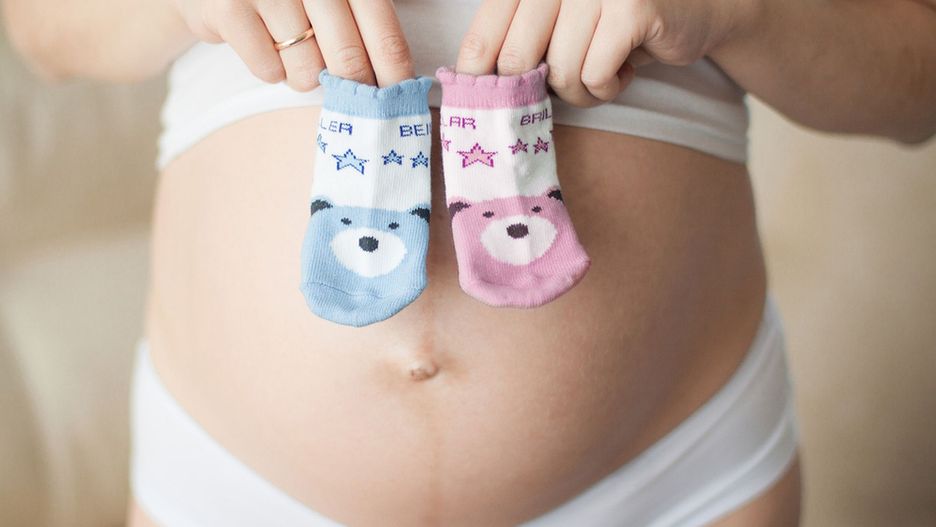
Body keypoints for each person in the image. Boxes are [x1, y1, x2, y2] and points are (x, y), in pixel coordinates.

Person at [5, 0, 934, 525]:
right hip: (236, 485)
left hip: (672, 478)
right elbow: (41, 31)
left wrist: (742, 8)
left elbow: (917, 81)